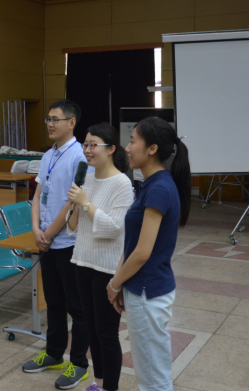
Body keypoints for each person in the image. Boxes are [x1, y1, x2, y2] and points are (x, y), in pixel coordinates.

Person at [45, 123, 133, 391]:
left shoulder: (122, 183)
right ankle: (99, 383)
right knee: (92, 332)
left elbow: (113, 228)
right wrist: (75, 204)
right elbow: (73, 226)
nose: (87, 150)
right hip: (82, 262)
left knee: (107, 334)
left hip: (107, 268)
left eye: (93, 145)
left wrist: (84, 203)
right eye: (85, 145)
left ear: (111, 149)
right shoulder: (87, 179)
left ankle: (110, 388)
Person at [108, 117, 191, 391]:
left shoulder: (159, 188)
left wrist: (114, 283)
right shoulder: (154, 184)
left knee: (153, 378)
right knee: (151, 371)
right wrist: (122, 282)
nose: (127, 148)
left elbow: (142, 253)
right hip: (143, 287)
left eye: (133, 141)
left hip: (147, 291)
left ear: (152, 149)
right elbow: (132, 244)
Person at [22, 99, 90, 390]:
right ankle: (53, 354)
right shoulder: (48, 154)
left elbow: (72, 203)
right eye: (48, 119)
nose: (50, 124)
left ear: (71, 122)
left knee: (78, 307)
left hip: (68, 243)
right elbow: (38, 194)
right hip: (47, 241)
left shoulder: (80, 156)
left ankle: (79, 363)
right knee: (54, 302)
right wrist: (36, 229)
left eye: (55, 119)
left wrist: (47, 234)